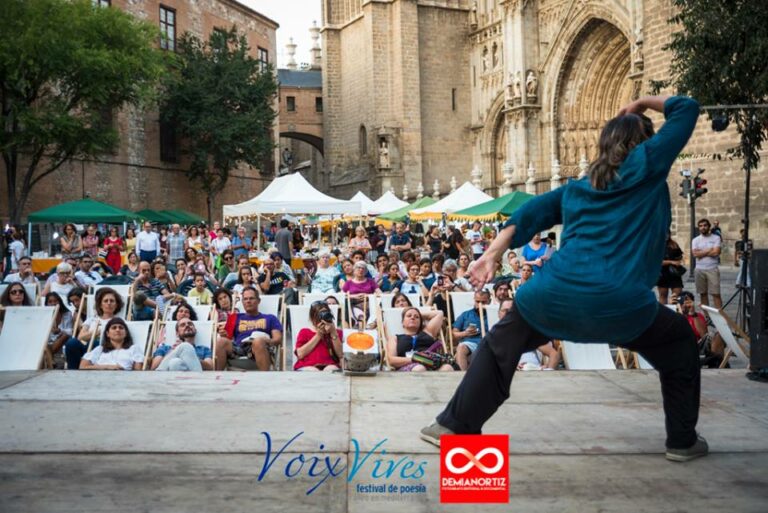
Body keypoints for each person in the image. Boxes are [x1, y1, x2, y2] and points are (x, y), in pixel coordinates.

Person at [421, 95, 707, 463]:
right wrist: (640, 102)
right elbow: (686, 108)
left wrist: (491, 254)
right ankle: (682, 441)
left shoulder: (578, 188)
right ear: (644, 143)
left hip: (550, 298)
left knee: (498, 347)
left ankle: (453, 425)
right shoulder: (648, 163)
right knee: (679, 342)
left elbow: (529, 214)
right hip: (621, 304)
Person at [219, 287, 283, 371]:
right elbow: (227, 337)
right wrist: (224, 334)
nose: (248, 301)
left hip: (260, 347)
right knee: (221, 341)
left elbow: (278, 339)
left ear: (258, 301)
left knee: (258, 341)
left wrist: (266, 341)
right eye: (245, 299)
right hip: (239, 348)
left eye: (251, 298)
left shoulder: (270, 318)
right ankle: (216, 377)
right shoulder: (235, 317)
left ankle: (266, 377)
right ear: (242, 302)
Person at [64, 287, 124, 369]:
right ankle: (73, 371)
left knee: (95, 344)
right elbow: (80, 337)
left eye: (112, 301)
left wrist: (92, 334)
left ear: (116, 305)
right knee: (72, 343)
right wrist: (99, 331)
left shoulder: (118, 322)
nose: (109, 303)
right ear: (100, 305)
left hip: (104, 348)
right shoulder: (91, 319)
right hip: (87, 346)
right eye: (105, 301)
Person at [385, 307, 451, 372]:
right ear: (403, 322)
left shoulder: (428, 332)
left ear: (420, 322)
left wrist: (419, 314)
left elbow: (439, 314)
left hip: (431, 365)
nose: (412, 317)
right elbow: (391, 360)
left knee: (447, 368)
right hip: (408, 366)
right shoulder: (395, 338)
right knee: (419, 368)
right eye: (409, 316)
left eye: (416, 317)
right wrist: (418, 359)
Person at [294, 301, 343, 371]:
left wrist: (333, 332)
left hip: (330, 365)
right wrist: (319, 335)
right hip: (307, 366)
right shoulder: (304, 332)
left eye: (326, 313)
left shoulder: (337, 332)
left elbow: (341, 355)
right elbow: (300, 354)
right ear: (312, 318)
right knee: (312, 371)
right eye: (319, 315)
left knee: (331, 369)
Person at [80, 317, 144, 370]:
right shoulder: (100, 349)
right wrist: (107, 367)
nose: (117, 330)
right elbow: (82, 367)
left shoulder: (134, 349)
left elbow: (137, 372)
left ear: (126, 333)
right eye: (114, 328)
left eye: (121, 327)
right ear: (107, 334)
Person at [452, 290, 490, 370]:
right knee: (461, 347)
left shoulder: (493, 313)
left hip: (489, 344)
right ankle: (462, 375)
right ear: (474, 300)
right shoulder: (466, 314)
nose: (480, 305)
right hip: (470, 344)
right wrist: (465, 333)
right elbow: (454, 334)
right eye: (477, 301)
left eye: (483, 302)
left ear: (489, 301)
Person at [692, 218, 722, 309]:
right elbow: (695, 254)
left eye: (705, 225)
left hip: (712, 269)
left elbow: (716, 252)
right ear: (698, 228)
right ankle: (707, 315)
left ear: (709, 226)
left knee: (716, 294)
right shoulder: (695, 240)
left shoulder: (716, 238)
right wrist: (709, 250)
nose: (703, 227)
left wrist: (701, 253)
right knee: (703, 294)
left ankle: (719, 315)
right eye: (700, 226)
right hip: (699, 270)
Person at [43, 292, 73, 368]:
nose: (53, 303)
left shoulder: (67, 314)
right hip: (48, 341)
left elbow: (70, 331)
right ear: (46, 304)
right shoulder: (44, 315)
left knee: (65, 335)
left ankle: (49, 358)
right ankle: (51, 362)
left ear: (60, 302)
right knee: (43, 341)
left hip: (61, 339)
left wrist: (60, 330)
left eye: (55, 301)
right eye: (50, 302)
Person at [657, 235, 685, 304]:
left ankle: (675, 310)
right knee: (663, 296)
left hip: (675, 273)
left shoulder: (674, 244)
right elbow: (657, 262)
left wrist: (679, 260)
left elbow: (680, 256)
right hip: (662, 273)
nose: (666, 235)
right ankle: (663, 311)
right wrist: (671, 262)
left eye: (667, 233)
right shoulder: (657, 245)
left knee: (677, 296)